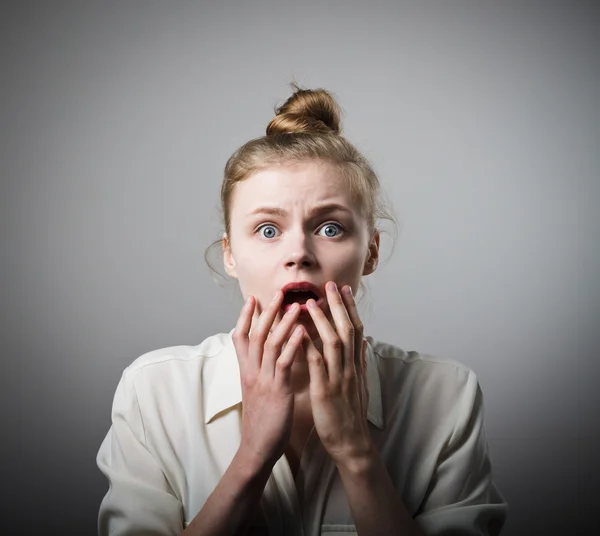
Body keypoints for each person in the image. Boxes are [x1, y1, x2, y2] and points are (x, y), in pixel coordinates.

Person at [96, 85, 509, 536]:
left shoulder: (447, 395)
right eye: (268, 229)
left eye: (330, 228)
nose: (299, 253)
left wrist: (354, 450)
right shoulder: (153, 391)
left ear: (370, 253)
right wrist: (253, 453)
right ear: (230, 255)